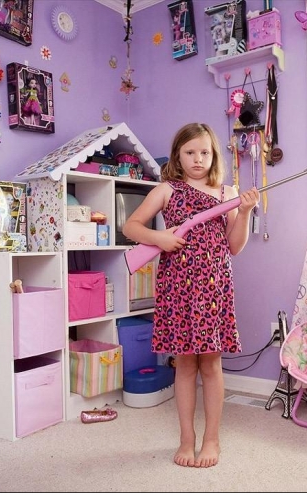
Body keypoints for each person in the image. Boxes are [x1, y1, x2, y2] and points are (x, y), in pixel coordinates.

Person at [123, 122, 259, 468]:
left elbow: (234, 247)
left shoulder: (226, 193)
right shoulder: (166, 190)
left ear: (213, 156)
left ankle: (212, 438)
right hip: (177, 287)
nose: (197, 159)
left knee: (211, 363)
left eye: (204, 152)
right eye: (190, 152)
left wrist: (242, 212)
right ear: (177, 155)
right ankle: (187, 438)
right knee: (184, 364)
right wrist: (160, 239)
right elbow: (131, 226)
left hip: (214, 288)